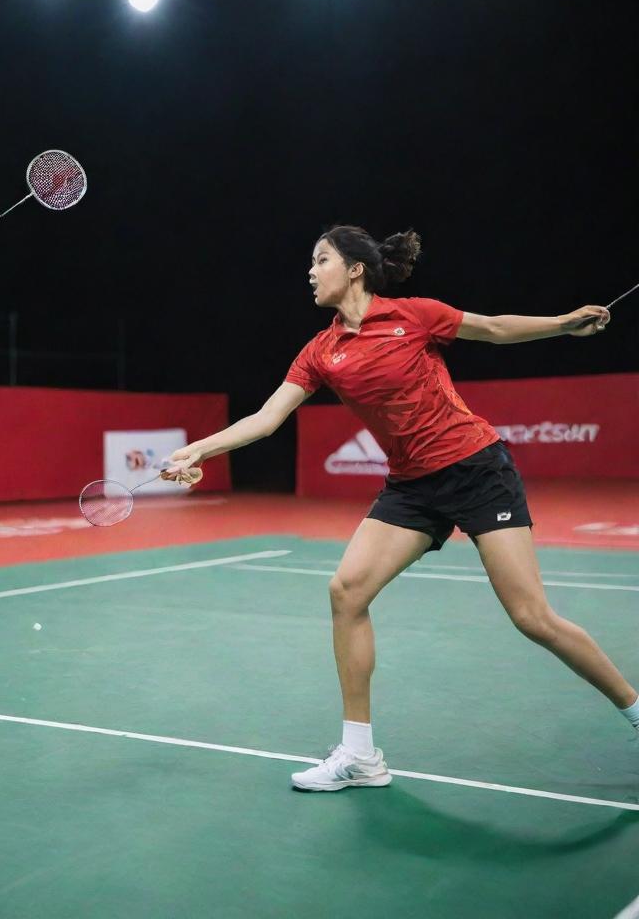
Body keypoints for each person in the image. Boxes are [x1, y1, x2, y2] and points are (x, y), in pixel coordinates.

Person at [164, 225, 639, 792]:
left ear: (355, 269)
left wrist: (562, 324)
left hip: (475, 469)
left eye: (321, 260)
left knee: (531, 617)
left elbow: (491, 329)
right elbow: (266, 419)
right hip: (412, 486)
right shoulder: (322, 350)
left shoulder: (415, 315)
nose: (310, 272)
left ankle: (635, 710)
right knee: (347, 592)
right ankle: (360, 755)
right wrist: (199, 448)